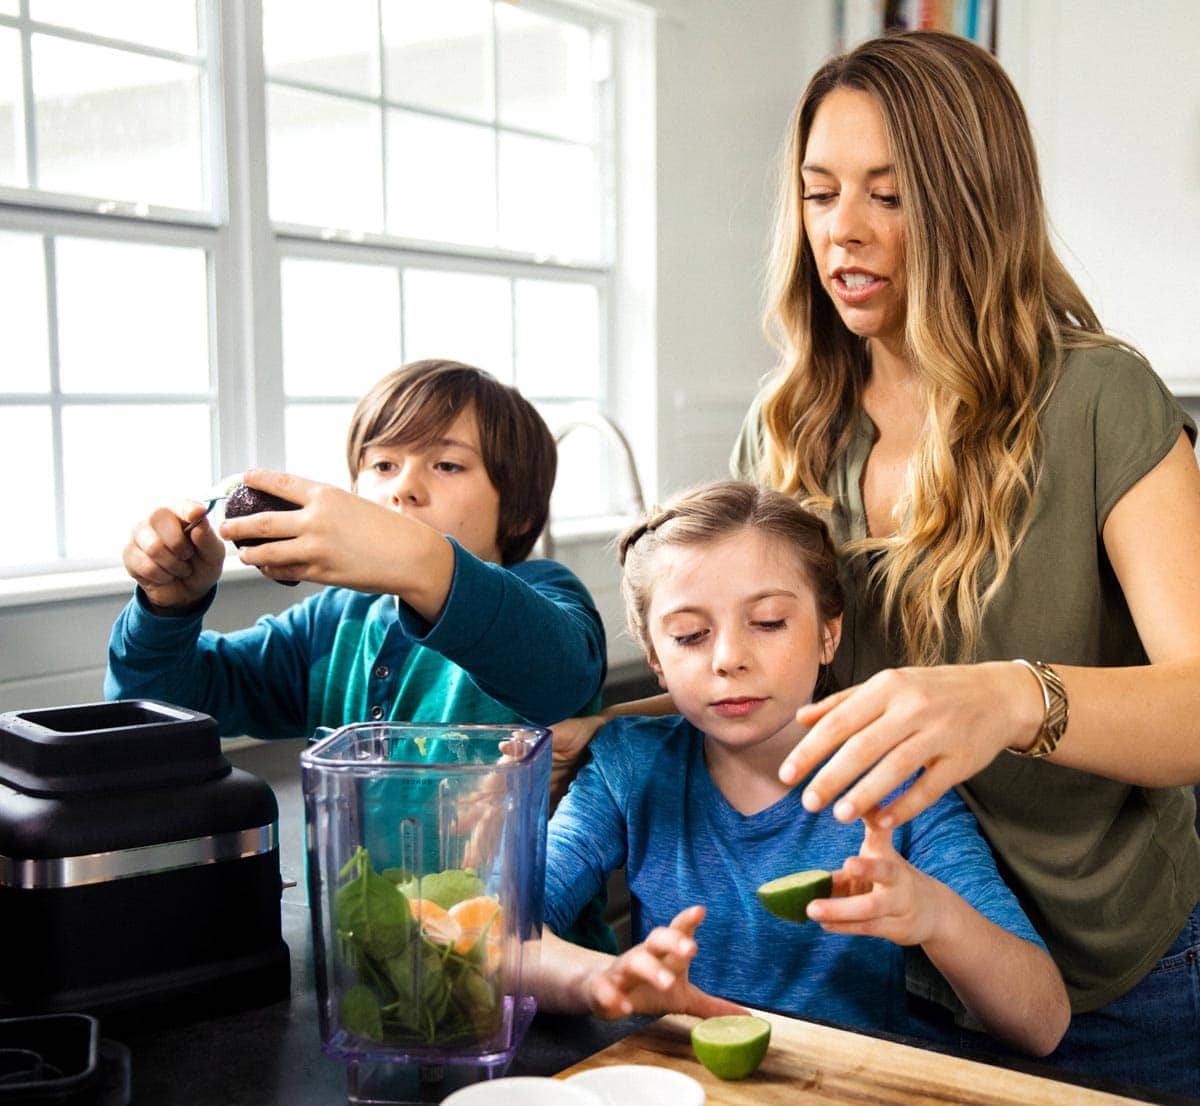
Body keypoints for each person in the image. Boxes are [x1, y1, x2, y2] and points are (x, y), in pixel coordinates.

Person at [722, 31, 1200, 1094]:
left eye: (889, 196)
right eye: (820, 192)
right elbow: (754, 692)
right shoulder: (786, 424)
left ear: (971, 204)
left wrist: (1010, 698)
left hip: (1120, 990)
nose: (842, 228)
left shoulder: (1100, 399)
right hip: (890, 975)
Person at [530, 481, 1069, 1058]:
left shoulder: (896, 779)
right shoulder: (627, 766)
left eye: (767, 622)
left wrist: (933, 915)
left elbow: (1041, 1023)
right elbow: (497, 933)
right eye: (690, 635)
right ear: (656, 660)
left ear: (828, 634)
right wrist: (597, 978)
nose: (728, 658)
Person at [105, 359, 614, 951]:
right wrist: (167, 606)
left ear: (520, 511)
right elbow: (160, 711)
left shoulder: (547, 595)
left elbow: (557, 672)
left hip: (535, 980)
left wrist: (422, 561)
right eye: (383, 465)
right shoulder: (333, 622)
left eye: (447, 464)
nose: (404, 486)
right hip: (371, 979)